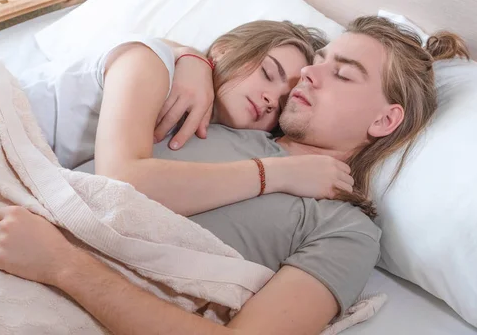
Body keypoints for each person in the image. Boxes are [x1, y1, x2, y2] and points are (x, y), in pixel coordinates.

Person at [0, 16, 469, 335]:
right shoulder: (223, 112)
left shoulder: (345, 228)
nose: (307, 77)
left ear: (385, 120)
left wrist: (64, 266)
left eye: (341, 75)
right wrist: (192, 61)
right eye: (316, 64)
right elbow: (156, 57)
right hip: (2, 205)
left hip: (39, 273)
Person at [19, 20, 354, 217]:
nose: (270, 100)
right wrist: (280, 173)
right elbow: (119, 182)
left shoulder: (212, 139)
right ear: (223, 50)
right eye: (268, 73)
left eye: (282, 106)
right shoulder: (153, 63)